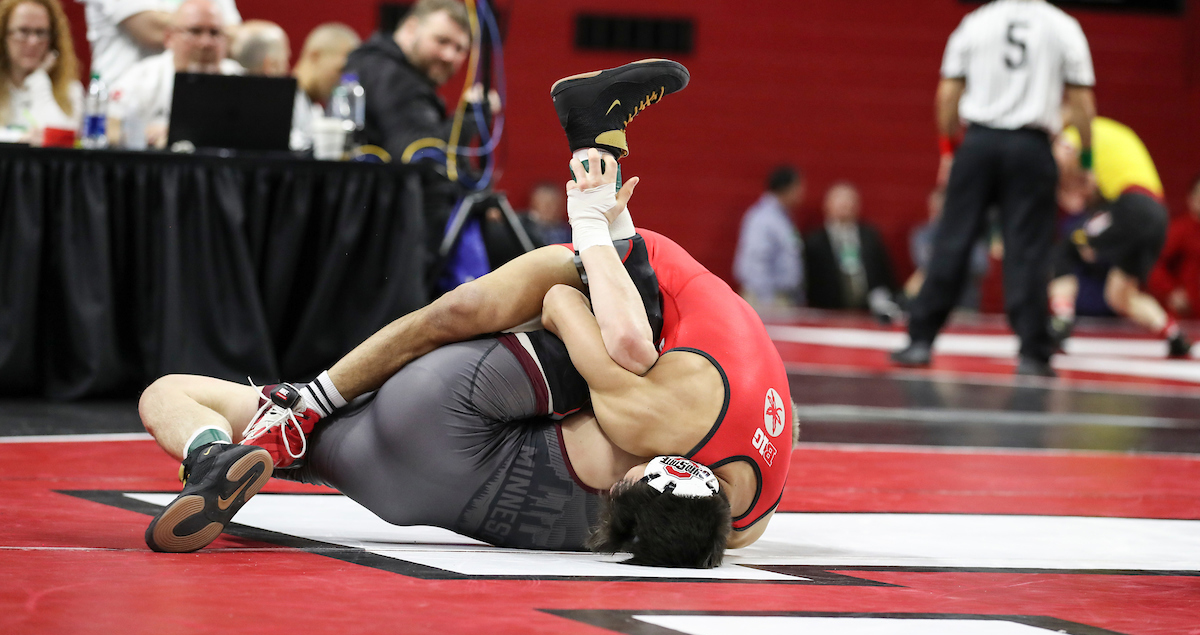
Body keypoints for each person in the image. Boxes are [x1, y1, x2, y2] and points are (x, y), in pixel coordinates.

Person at [140, 59, 792, 567]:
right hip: (412, 475)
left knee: (495, 317)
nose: (619, 474)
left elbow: (569, 312)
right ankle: (253, 430)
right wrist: (594, 230)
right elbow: (574, 307)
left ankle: (246, 436)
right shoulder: (666, 434)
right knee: (613, 337)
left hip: (496, 401)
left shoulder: (745, 514)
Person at [892, 0, 1097, 377]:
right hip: (1031, 147)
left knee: (952, 240)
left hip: (979, 144)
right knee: (1028, 251)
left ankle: (919, 339)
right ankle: (1033, 352)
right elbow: (1082, 101)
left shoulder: (976, 22)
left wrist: (949, 150)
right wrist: (1085, 161)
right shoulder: (1062, 25)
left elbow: (947, 94)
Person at [1047, 117, 1191, 358]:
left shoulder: (1076, 132)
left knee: (1067, 247)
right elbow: (1094, 184)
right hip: (1157, 215)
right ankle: (1174, 335)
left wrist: (1057, 191)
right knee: (1119, 294)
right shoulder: (1114, 133)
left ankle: (1061, 323)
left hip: (1130, 207)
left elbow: (1060, 162)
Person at [342, 0, 497, 167]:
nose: (449, 56)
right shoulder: (391, 76)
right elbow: (418, 152)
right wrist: (471, 117)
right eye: (442, 41)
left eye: (460, 49)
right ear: (411, 29)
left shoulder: (378, 66)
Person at [109, 0, 243, 149]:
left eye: (215, 33)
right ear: (169, 37)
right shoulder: (141, 78)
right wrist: (144, 135)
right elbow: (108, 129)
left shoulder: (240, 79)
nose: (206, 42)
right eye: (195, 31)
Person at [77, 0, 240, 85]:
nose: (205, 41)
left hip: (196, 93)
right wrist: (207, 23)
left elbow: (235, 38)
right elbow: (150, 28)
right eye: (196, 31)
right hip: (126, 101)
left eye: (212, 32)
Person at [803, 181, 898, 316]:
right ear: (827, 205)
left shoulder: (870, 236)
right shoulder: (815, 241)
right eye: (840, 202)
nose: (845, 206)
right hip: (828, 312)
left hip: (868, 312)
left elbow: (885, 273)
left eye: (849, 201)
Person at [0, 0, 81, 141]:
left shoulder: (70, 91)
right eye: (23, 31)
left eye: (41, 32)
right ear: (4, 36)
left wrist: (39, 80)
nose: (33, 41)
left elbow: (62, 142)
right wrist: (19, 139)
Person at [904, 188, 992, 311]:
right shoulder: (922, 235)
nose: (938, 211)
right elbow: (924, 262)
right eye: (935, 207)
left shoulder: (970, 234)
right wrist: (960, 260)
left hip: (964, 305)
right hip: (932, 305)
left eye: (942, 206)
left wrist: (943, 262)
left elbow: (981, 266)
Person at [732, 165, 805, 310]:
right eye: (799, 187)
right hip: (766, 299)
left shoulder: (781, 217)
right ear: (787, 188)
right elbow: (756, 261)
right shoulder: (764, 218)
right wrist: (767, 302)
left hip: (778, 297)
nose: (802, 192)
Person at [289, 22, 360, 151]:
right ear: (315, 56)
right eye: (340, 70)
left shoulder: (316, 112)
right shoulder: (282, 105)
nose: (342, 81)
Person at [1148, 174, 1200, 318]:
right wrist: (1171, 291)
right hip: (1187, 317)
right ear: (1191, 199)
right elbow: (1153, 263)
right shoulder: (1180, 230)